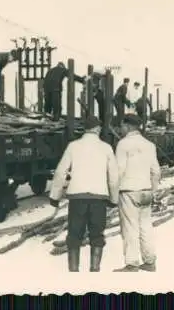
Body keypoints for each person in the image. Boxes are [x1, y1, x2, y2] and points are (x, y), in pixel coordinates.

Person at [49, 116, 119, 272]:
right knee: (97, 236)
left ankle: (74, 272)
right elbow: (114, 177)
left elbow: (61, 172)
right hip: (99, 198)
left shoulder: (73, 146)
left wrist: (55, 196)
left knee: (74, 235)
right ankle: (94, 270)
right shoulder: (106, 148)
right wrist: (113, 199)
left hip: (77, 198)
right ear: (97, 129)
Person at [113, 114, 161, 272]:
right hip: (146, 190)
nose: (120, 129)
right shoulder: (149, 145)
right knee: (145, 227)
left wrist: (112, 192)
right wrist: (153, 190)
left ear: (127, 126)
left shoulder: (123, 144)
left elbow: (119, 170)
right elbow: (156, 171)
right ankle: (149, 261)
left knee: (130, 228)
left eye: (121, 126)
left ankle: (132, 263)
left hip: (129, 191)